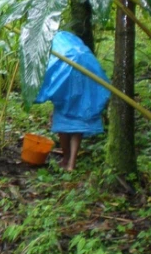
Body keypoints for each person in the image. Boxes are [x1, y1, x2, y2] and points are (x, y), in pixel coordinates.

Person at [35, 31, 111, 171]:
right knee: (78, 124)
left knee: (63, 121)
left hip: (66, 78)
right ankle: (71, 162)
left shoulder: (52, 41)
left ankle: (66, 159)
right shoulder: (69, 39)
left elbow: (50, 66)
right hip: (84, 78)